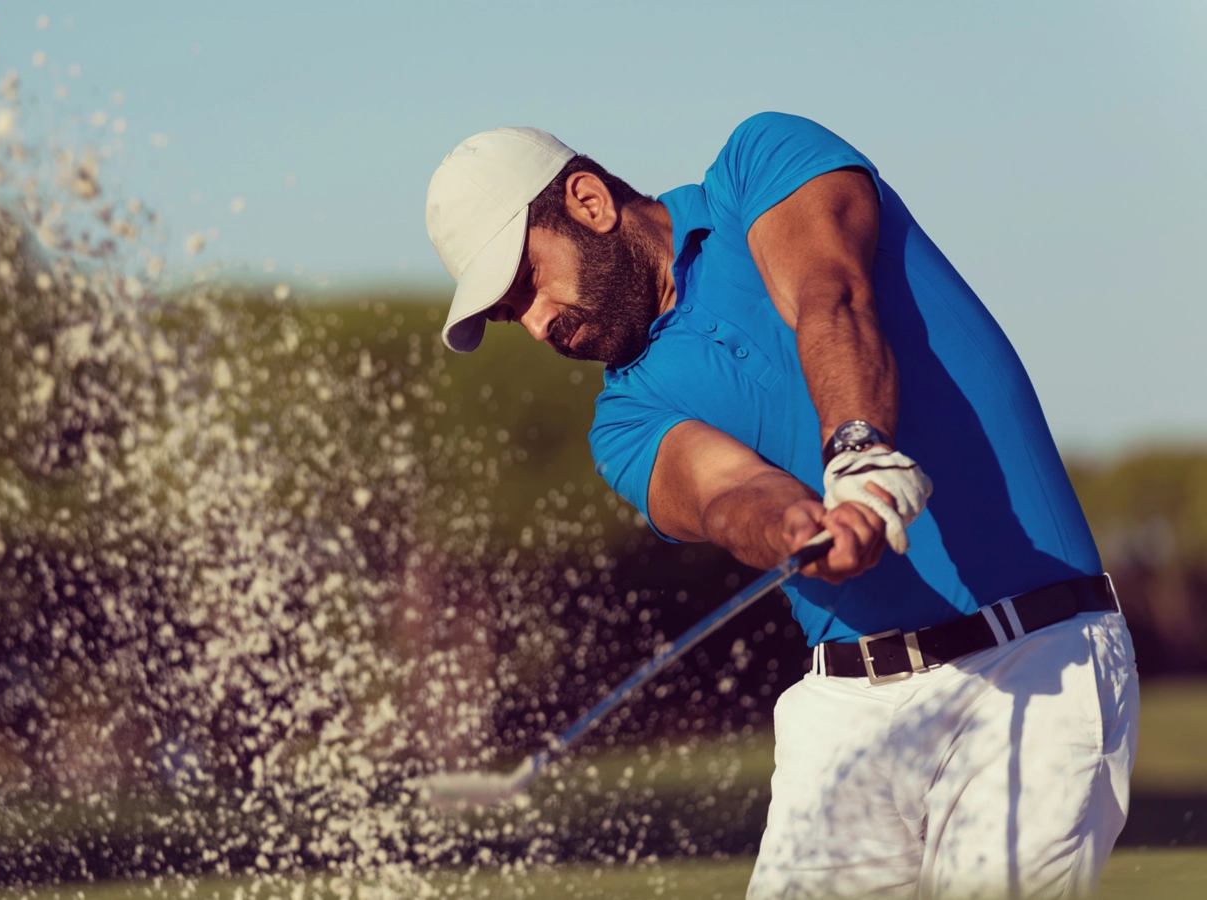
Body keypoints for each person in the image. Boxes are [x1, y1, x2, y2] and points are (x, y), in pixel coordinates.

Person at [424, 115, 1138, 898]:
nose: (535, 324)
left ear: (589, 202)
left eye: (527, 284)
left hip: (1033, 662)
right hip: (846, 713)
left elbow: (828, 294)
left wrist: (859, 450)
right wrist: (798, 526)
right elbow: (726, 492)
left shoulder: (760, 167)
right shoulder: (621, 421)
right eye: (508, 317)